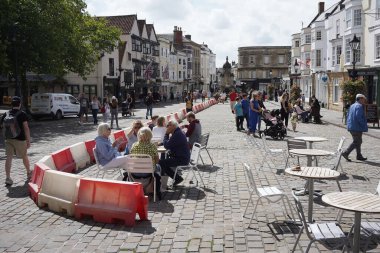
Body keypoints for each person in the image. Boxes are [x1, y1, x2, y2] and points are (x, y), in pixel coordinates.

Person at [0, 96, 31, 185]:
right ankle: (29, 172)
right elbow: (26, 128)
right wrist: (28, 140)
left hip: (8, 139)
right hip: (20, 139)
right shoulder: (22, 114)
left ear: (12, 104)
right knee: (24, 156)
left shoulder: (6, 114)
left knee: (9, 158)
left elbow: (2, 126)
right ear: (20, 104)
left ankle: (8, 178)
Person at [130, 127, 162, 200]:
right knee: (158, 167)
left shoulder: (134, 145)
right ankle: (155, 189)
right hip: (148, 172)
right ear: (150, 135)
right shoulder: (152, 145)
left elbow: (131, 157)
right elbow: (157, 160)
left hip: (135, 172)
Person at [158, 120, 190, 186]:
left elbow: (167, 146)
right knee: (163, 160)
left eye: (168, 126)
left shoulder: (177, 134)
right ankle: (164, 181)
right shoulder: (177, 132)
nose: (166, 127)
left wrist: (166, 134)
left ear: (173, 126)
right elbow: (170, 143)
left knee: (161, 163)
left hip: (182, 159)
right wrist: (162, 143)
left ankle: (175, 179)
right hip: (181, 156)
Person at [342, 94, 368, 162]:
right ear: (360, 99)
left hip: (352, 126)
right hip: (356, 127)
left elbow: (347, 115)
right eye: (363, 99)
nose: (364, 100)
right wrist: (363, 124)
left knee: (358, 141)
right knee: (357, 141)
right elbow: (358, 117)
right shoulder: (359, 106)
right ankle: (346, 153)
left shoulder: (352, 105)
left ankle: (359, 155)